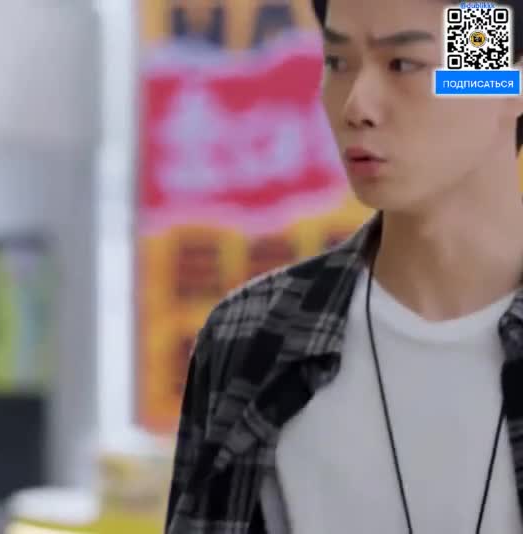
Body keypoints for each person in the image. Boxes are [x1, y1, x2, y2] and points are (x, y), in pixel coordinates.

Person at [165, 0, 523, 533]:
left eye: (403, 64)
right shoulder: (250, 339)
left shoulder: (483, 30)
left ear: (506, 84)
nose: (356, 105)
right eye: (337, 62)